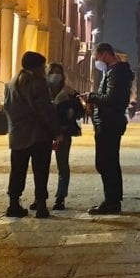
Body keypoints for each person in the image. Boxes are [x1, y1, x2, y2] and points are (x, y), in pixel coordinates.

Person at [4, 52, 61, 218]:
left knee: (17, 171)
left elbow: (7, 108)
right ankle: (41, 206)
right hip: (38, 135)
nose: (44, 70)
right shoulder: (38, 83)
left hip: (18, 135)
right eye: (43, 67)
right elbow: (45, 110)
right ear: (37, 67)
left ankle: (13, 204)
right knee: (41, 171)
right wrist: (56, 131)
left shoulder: (11, 83)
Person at [85, 43, 134, 215]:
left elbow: (111, 98)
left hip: (109, 123)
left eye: (97, 58)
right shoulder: (114, 72)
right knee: (109, 162)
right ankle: (113, 199)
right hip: (108, 122)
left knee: (106, 163)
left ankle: (111, 201)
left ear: (105, 55)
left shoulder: (116, 72)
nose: (97, 62)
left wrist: (91, 97)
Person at [43, 63, 84, 211]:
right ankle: (40, 197)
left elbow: (80, 111)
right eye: (52, 72)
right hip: (44, 133)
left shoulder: (69, 92)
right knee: (41, 167)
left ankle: (60, 198)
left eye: (58, 72)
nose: (55, 75)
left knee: (63, 166)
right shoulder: (42, 91)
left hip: (63, 133)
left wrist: (72, 111)